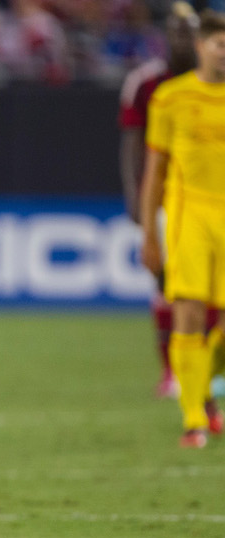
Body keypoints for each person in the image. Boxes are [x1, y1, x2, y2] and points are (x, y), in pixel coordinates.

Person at [140, 8, 225, 449]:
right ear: (201, 47)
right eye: (219, 45)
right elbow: (154, 170)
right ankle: (193, 419)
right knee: (188, 311)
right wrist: (149, 232)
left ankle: (206, 389)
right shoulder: (170, 98)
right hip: (189, 213)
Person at [119, 1, 200, 399]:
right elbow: (133, 147)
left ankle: (205, 372)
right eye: (177, 29)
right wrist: (138, 202)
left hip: (211, 201)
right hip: (169, 200)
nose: (184, 38)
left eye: (191, 30)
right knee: (168, 284)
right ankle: (173, 372)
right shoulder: (149, 84)